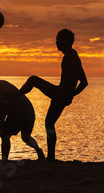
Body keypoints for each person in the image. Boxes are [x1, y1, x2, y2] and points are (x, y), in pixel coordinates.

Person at [19, 28, 88, 161]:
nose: (56, 42)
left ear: (67, 41)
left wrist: (66, 95)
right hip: (60, 92)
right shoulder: (72, 55)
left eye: (58, 39)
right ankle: (50, 157)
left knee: (49, 122)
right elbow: (84, 82)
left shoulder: (71, 55)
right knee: (49, 122)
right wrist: (71, 95)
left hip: (60, 94)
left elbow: (73, 80)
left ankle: (51, 157)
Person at [0, 72, 45, 161]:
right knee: (24, 137)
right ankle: (38, 151)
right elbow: (0, 108)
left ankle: (5, 159)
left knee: (6, 135)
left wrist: (3, 122)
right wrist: (2, 121)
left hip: (21, 112)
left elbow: (3, 106)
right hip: (23, 113)